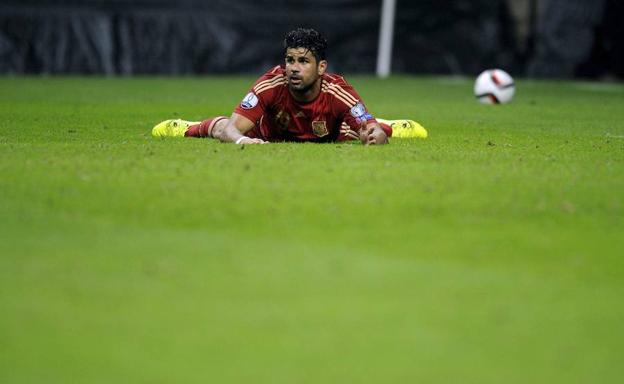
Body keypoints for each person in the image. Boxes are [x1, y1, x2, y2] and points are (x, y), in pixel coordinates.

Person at [152, 28, 427, 144]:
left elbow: (371, 131)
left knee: (352, 131)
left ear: (321, 67)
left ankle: (393, 124)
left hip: (325, 134)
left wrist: (377, 134)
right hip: (273, 135)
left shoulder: (338, 91)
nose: (293, 67)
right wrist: (244, 141)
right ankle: (188, 127)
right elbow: (233, 129)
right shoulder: (270, 83)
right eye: (290, 60)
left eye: (303, 61)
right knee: (221, 127)